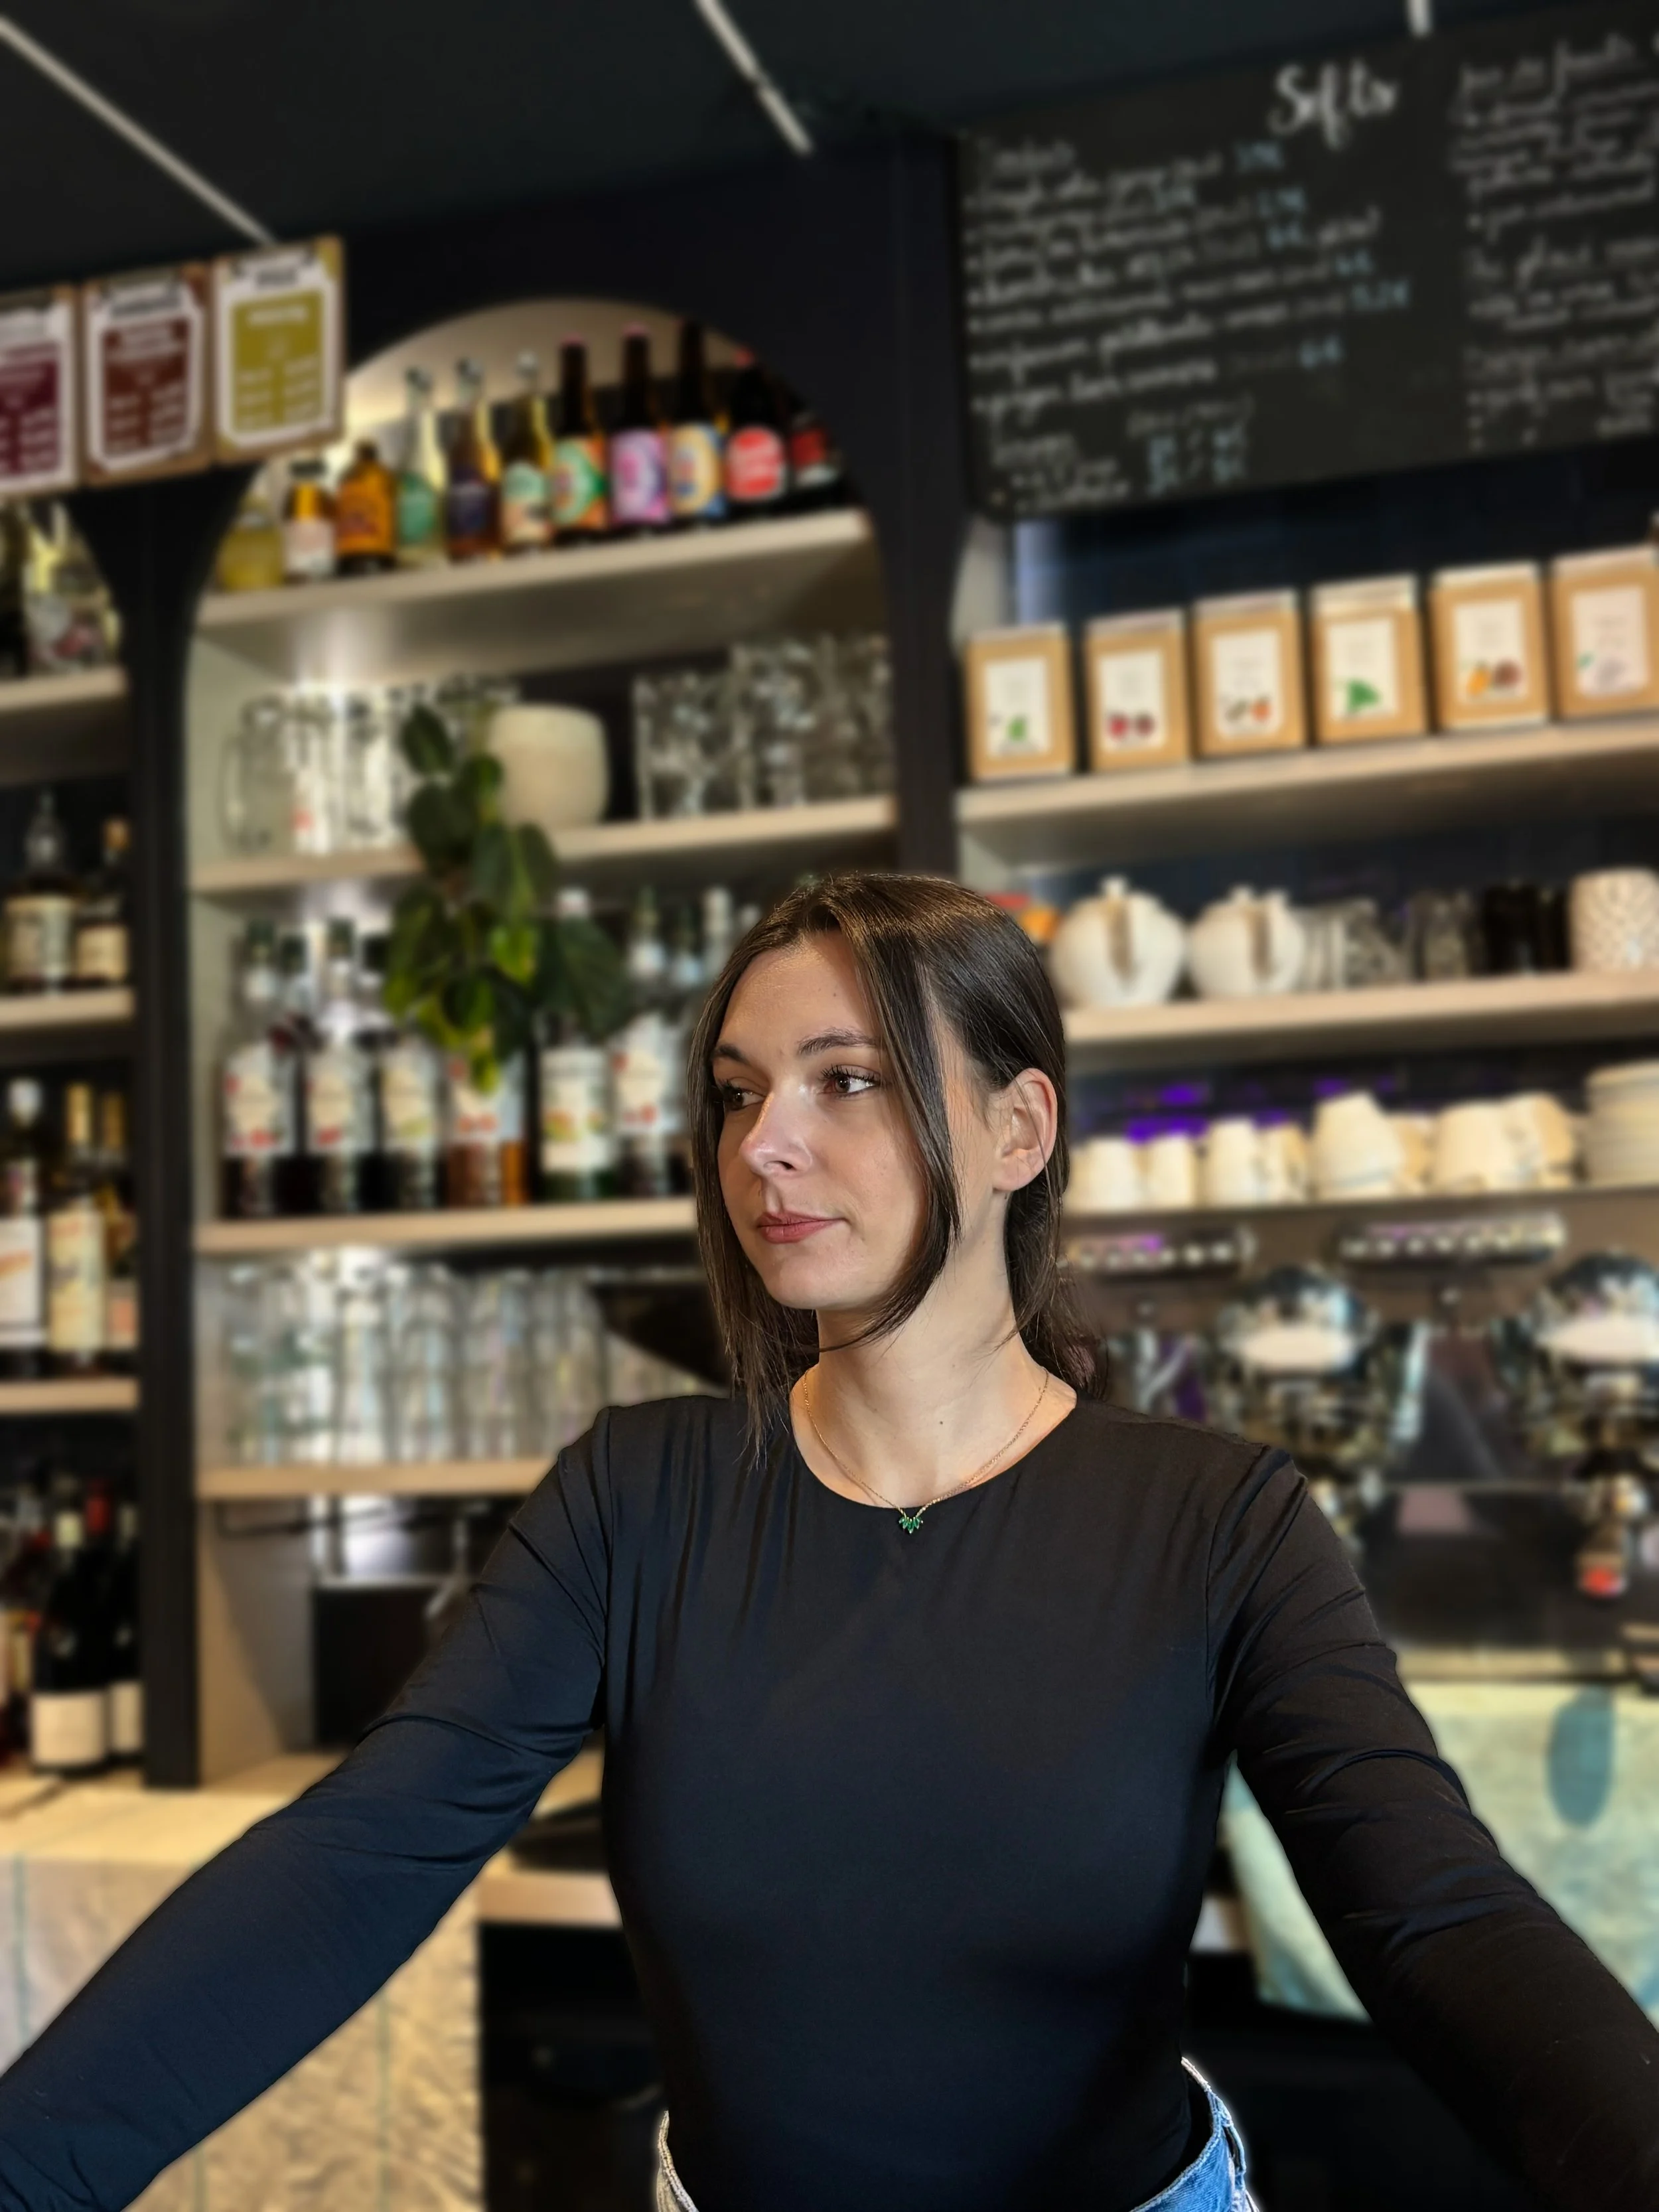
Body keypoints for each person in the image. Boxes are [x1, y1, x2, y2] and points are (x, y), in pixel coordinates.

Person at [1, 871, 1656, 2212]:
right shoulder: (634, 1495)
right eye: (736, 1093)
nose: (759, 1145)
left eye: (844, 1080)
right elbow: (358, 1856)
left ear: (1018, 1132)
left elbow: (1432, 1916)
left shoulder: (1216, 1518)